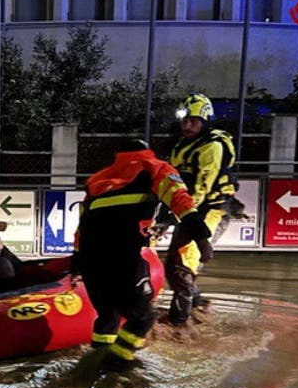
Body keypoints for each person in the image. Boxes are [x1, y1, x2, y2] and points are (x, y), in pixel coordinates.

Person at [71, 139, 212, 373]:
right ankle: (115, 364)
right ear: (146, 151)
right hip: (123, 255)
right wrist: (202, 238)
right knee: (144, 317)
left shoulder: (95, 180)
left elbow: (81, 226)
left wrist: (75, 262)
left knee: (108, 315)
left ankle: (94, 360)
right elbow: (182, 203)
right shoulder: (155, 167)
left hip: (89, 257)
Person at [162, 93, 238, 327]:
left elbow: (201, 189)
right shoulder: (181, 146)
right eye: (185, 120)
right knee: (172, 265)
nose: (187, 125)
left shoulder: (212, 146)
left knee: (182, 266)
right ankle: (199, 304)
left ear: (204, 121)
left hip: (210, 211)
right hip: (191, 212)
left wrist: (174, 215)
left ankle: (179, 325)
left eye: (193, 120)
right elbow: (172, 182)